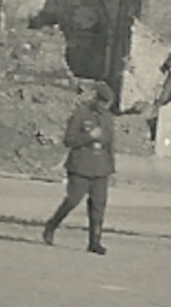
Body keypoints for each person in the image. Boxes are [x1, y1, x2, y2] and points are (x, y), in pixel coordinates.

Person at [42, 80, 117, 255]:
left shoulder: (107, 118)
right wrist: (89, 136)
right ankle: (52, 225)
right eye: (102, 103)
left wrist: (111, 168)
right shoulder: (81, 114)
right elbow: (69, 140)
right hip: (81, 166)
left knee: (99, 205)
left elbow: (110, 145)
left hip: (101, 169)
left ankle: (95, 241)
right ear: (96, 100)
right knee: (73, 200)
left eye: (107, 104)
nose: (104, 107)